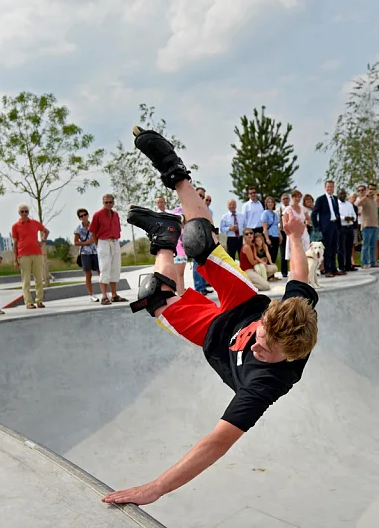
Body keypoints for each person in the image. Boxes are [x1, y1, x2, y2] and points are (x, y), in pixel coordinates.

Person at [102, 126, 318, 507]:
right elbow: (299, 275)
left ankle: (164, 236)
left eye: (266, 350)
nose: (257, 345)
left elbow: (215, 443)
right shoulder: (292, 309)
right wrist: (296, 236)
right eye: (262, 335)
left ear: (291, 357)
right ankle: (174, 167)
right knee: (201, 240)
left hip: (214, 337)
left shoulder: (265, 385)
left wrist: (156, 488)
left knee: (155, 296)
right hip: (243, 304)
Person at [89, 195, 128, 305]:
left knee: (115, 268)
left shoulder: (115, 215)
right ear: (103, 203)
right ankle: (104, 295)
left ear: (113, 203)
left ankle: (114, 294)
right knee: (105, 268)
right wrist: (98, 245)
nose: (108, 204)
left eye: (110, 202)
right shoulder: (98, 215)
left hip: (115, 241)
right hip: (104, 242)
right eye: (106, 202)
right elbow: (93, 231)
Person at [11, 204, 50, 309]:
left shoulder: (34, 223)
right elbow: (14, 243)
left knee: (39, 278)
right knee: (26, 280)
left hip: (37, 253)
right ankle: (28, 302)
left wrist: (42, 241)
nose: (24, 213)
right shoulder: (15, 226)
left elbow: (46, 231)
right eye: (22, 212)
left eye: (26, 211)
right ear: (19, 213)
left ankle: (39, 300)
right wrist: (15, 259)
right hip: (23, 255)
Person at [74, 208, 101, 303]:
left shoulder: (93, 225)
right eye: (81, 216)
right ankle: (91, 294)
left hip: (96, 251)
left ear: (88, 215)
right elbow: (76, 242)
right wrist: (86, 242)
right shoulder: (78, 229)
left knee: (100, 272)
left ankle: (105, 292)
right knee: (88, 274)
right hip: (85, 253)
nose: (84, 217)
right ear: (79, 218)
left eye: (85, 215)